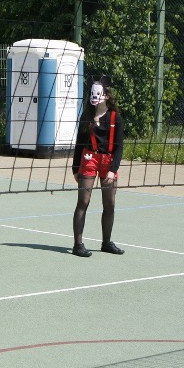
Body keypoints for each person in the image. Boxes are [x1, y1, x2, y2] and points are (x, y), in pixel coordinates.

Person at [70, 76, 125, 257]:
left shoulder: (116, 118)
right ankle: (78, 245)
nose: (97, 97)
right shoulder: (86, 117)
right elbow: (79, 144)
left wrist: (113, 170)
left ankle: (106, 242)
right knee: (83, 202)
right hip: (89, 159)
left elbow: (119, 147)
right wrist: (75, 168)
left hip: (108, 162)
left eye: (100, 94)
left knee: (109, 204)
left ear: (106, 96)